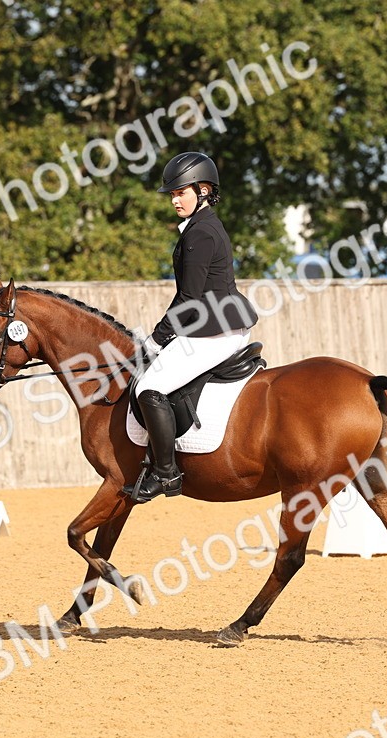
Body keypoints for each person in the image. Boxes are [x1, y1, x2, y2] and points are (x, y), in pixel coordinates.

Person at [123, 152, 260, 503]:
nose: (174, 200)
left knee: (149, 388)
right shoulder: (201, 227)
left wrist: (157, 337)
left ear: (203, 190)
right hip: (214, 323)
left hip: (215, 330)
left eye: (180, 193)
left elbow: (189, 298)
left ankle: (166, 473)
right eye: (171, 194)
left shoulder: (201, 234)